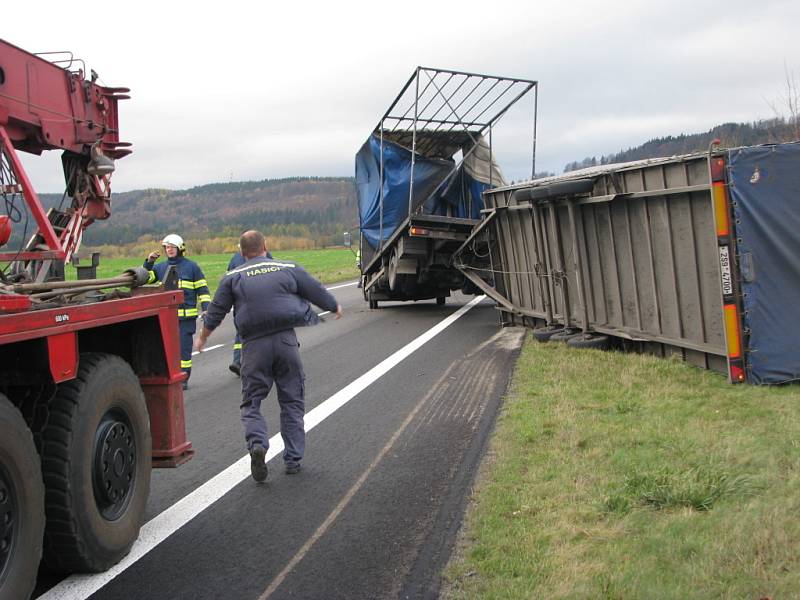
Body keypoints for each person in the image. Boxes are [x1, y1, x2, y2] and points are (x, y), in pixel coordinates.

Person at [195, 230, 341, 482]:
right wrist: (333, 305)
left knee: (251, 403)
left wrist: (203, 337)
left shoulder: (233, 276)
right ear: (266, 246)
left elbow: (216, 311)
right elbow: (313, 289)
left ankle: (258, 444)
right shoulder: (287, 267)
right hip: (285, 342)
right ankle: (293, 459)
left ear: (242, 252)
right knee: (292, 400)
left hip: (253, 347)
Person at [144, 234, 211, 390]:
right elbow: (146, 279)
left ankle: (184, 378)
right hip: (166, 317)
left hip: (186, 320)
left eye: (172, 247)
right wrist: (149, 263)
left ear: (180, 249)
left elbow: (203, 289)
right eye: (167, 247)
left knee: (183, 350)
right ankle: (169, 377)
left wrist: (207, 308)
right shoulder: (160, 267)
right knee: (165, 349)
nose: (169, 250)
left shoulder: (192, 267)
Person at [227, 246, 273, 377]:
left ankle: (238, 361)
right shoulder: (265, 255)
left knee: (241, 332)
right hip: (259, 301)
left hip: (241, 302)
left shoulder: (235, 258)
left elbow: (228, 279)